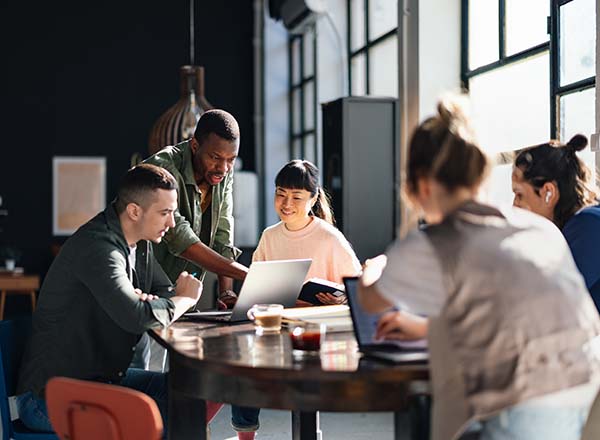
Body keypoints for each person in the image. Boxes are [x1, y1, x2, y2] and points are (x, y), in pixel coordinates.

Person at [358, 97, 600, 440]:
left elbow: (369, 301)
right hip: (587, 402)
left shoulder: (434, 241)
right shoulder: (539, 229)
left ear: (420, 186)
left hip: (526, 414)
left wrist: (376, 265)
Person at [15, 164, 222, 436]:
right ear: (134, 211)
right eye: (165, 213)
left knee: (189, 397)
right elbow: (138, 316)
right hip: (50, 397)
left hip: (101, 380)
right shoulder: (98, 247)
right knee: (164, 417)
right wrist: (184, 299)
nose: (171, 223)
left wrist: (157, 303)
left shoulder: (142, 242)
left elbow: (162, 293)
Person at [144, 109, 248, 310]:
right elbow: (180, 238)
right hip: (143, 292)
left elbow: (222, 233)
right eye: (215, 157)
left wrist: (226, 292)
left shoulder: (224, 173)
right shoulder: (163, 168)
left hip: (183, 301)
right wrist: (249, 276)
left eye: (231, 159)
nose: (223, 168)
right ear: (194, 145)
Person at [253, 160, 361, 305]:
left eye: (296, 197)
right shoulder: (269, 236)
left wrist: (341, 300)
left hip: (318, 321)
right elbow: (255, 288)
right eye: (281, 194)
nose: (287, 204)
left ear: (313, 199)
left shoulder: (329, 237)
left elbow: (358, 289)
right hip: (278, 321)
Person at [512, 134, 600, 310]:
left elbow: (545, 304)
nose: (514, 205)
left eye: (519, 194)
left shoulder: (587, 226)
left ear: (548, 192)